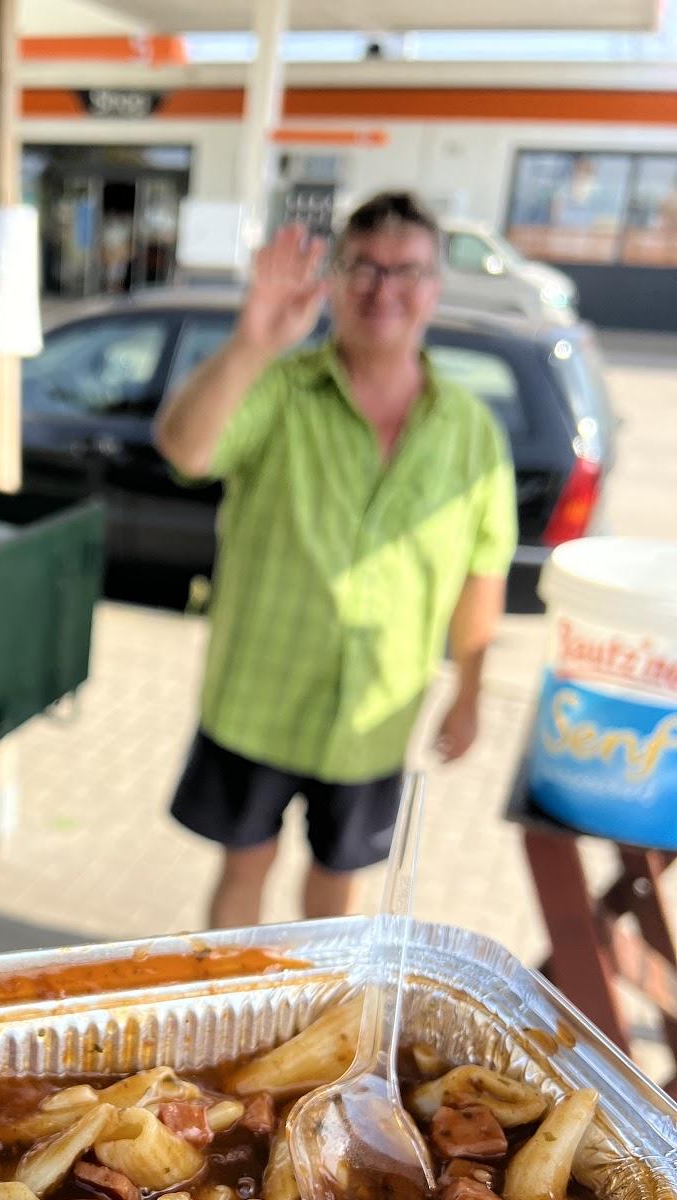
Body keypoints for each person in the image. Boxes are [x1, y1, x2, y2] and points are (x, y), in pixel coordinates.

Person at [153, 191, 517, 927]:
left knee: (338, 885)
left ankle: (318, 1028)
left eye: (406, 271)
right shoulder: (280, 389)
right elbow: (184, 449)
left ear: (434, 289)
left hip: (375, 717)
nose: (384, 290)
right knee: (244, 866)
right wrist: (254, 341)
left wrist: (471, 691)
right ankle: (229, 1022)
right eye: (365, 268)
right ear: (335, 280)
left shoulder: (471, 430)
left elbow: (484, 569)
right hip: (257, 699)